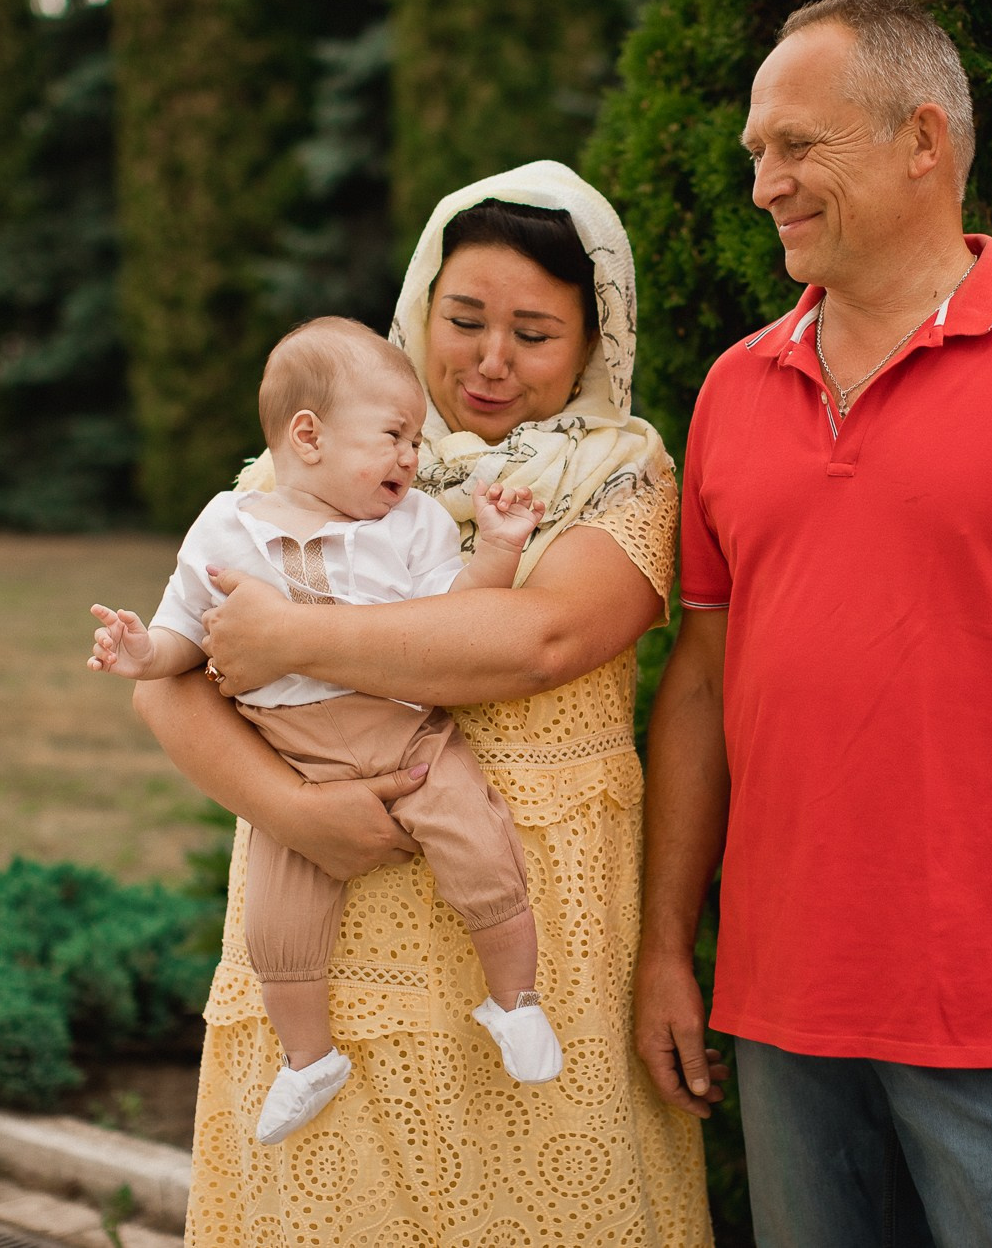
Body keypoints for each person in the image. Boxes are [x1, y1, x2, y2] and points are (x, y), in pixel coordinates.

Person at [635, 0, 992, 1247]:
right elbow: (699, 684)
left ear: (922, 140)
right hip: (779, 1010)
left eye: (796, 147)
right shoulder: (735, 389)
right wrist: (663, 949)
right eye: (755, 156)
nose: (764, 185)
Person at [133, 162, 716, 1244]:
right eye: (464, 319)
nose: (489, 361)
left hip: (544, 932)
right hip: (333, 919)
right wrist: (290, 807)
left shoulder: (621, 480)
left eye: (534, 332)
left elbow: (536, 638)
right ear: (418, 310)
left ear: (595, 341)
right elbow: (169, 690)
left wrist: (293, 636)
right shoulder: (290, 481)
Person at [87, 318, 564, 1147]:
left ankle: (515, 998)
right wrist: (140, 650)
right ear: (307, 435)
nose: (412, 456)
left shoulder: (411, 524)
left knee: (481, 847)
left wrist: (496, 544)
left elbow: (455, 618)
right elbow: (185, 636)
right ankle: (308, 1057)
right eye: (393, 436)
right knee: (277, 923)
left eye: (416, 439)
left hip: (407, 735)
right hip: (291, 756)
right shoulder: (226, 525)